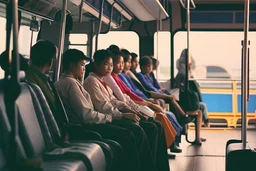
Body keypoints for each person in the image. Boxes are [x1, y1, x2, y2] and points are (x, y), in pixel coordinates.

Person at [55, 48, 162, 171]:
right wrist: (119, 116)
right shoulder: (72, 84)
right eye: (82, 65)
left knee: (141, 127)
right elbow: (87, 115)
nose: (84, 68)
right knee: (131, 132)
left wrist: (127, 109)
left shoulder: (72, 82)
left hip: (91, 122)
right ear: (72, 65)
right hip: (85, 128)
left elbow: (111, 101)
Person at [84, 49, 171, 169]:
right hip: (109, 118)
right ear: (96, 64)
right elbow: (104, 107)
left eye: (110, 65)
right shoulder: (91, 82)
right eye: (106, 64)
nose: (109, 68)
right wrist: (124, 114)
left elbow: (114, 100)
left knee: (156, 125)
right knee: (146, 128)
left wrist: (130, 109)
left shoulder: (102, 80)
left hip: (115, 114)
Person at [175, 48, 210, 127]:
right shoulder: (183, 75)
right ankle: (206, 122)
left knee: (202, 106)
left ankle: (206, 122)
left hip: (187, 100)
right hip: (186, 103)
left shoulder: (183, 74)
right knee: (202, 106)